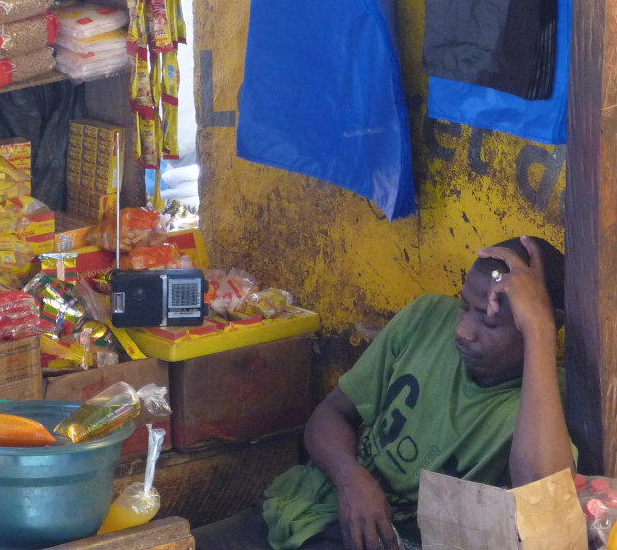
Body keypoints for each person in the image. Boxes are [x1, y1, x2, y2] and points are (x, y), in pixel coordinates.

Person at [191, 235, 574, 550]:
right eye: (464, 308)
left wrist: (539, 332)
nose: (462, 331)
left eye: (489, 323)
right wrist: (351, 478)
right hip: (297, 508)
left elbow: (544, 502)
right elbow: (329, 417)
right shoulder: (427, 319)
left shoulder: (545, 403)